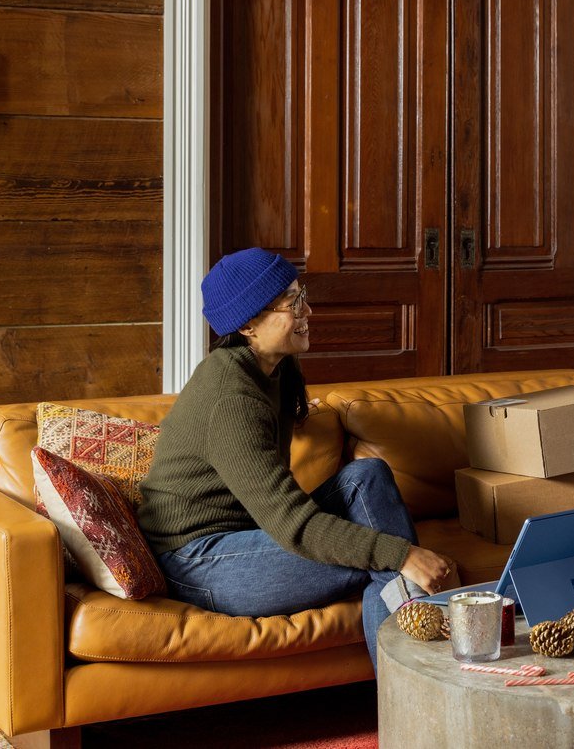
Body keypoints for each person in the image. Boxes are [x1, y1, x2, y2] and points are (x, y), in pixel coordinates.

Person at [137, 247, 455, 668]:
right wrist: (403, 554)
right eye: (292, 303)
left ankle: (416, 688)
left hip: (247, 535)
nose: (307, 311)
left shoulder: (277, 369)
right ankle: (414, 706)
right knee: (388, 564)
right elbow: (293, 524)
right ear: (249, 323)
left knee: (368, 475)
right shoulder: (230, 398)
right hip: (199, 562)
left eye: (301, 295)